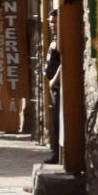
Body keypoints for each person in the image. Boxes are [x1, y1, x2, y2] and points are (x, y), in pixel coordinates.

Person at [43, 9, 62, 163]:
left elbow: (65, 62)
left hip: (58, 87)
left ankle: (57, 155)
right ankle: (55, 152)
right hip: (53, 88)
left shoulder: (62, 40)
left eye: (55, 21)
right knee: (54, 121)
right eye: (51, 22)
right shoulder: (55, 39)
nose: (52, 25)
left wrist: (54, 80)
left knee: (57, 122)